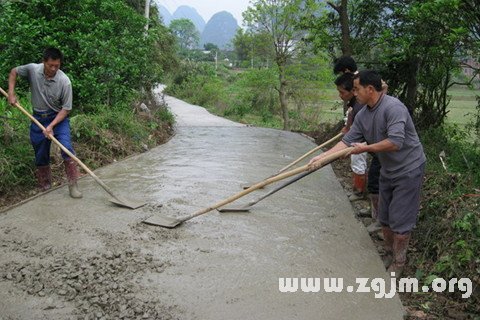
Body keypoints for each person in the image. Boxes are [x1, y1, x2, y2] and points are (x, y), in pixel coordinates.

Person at [308, 70, 426, 277]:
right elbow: (346, 141)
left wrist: (365, 148)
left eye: (356, 89)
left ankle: (399, 262)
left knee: (400, 219)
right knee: (385, 217)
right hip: (388, 169)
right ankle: (389, 252)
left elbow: (395, 142)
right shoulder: (363, 114)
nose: (354, 93)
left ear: (370, 89)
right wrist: (322, 158)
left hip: (409, 168)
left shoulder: (393, 108)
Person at [8, 47, 82, 198]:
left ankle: (73, 185)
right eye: (50, 65)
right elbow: (13, 72)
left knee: (66, 147)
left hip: (58, 118)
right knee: (40, 152)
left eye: (57, 66)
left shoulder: (64, 82)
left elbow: (66, 109)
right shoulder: (33, 70)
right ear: (44, 62)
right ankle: (45, 186)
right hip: (38, 118)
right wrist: (11, 93)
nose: (53, 69)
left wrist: (51, 126)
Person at [333, 56, 368, 201]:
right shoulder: (354, 85)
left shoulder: (360, 85)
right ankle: (358, 189)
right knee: (356, 159)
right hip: (357, 127)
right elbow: (352, 110)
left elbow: (357, 111)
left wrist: (351, 129)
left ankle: (359, 191)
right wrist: (347, 127)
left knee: (358, 159)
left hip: (363, 131)